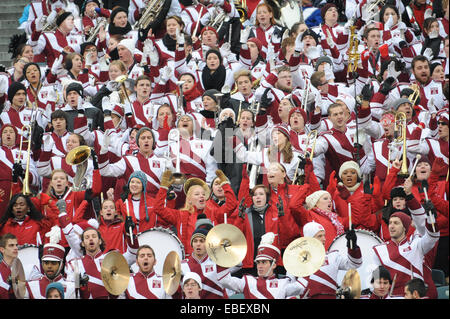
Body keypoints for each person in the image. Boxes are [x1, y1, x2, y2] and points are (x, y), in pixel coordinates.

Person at [217, 232, 308, 299]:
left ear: (273, 265)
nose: (260, 266)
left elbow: (300, 287)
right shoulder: (248, 281)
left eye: (264, 262)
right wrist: (223, 258)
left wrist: (308, 264)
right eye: (258, 262)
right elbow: (225, 280)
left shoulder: (283, 283)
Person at [301, 221, 362, 299]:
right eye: (319, 236)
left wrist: (353, 247)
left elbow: (355, 264)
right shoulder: (297, 260)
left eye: (324, 235)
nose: (324, 239)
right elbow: (290, 289)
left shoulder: (332, 256)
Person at [180, 214, 230, 299]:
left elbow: (238, 264)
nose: (198, 244)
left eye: (202, 241)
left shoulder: (218, 262)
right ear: (192, 244)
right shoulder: (182, 265)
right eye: (195, 241)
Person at [0, 233, 18, 299]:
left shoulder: (25, 267)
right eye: (11, 245)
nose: (16, 248)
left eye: (16, 245)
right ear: (2, 249)